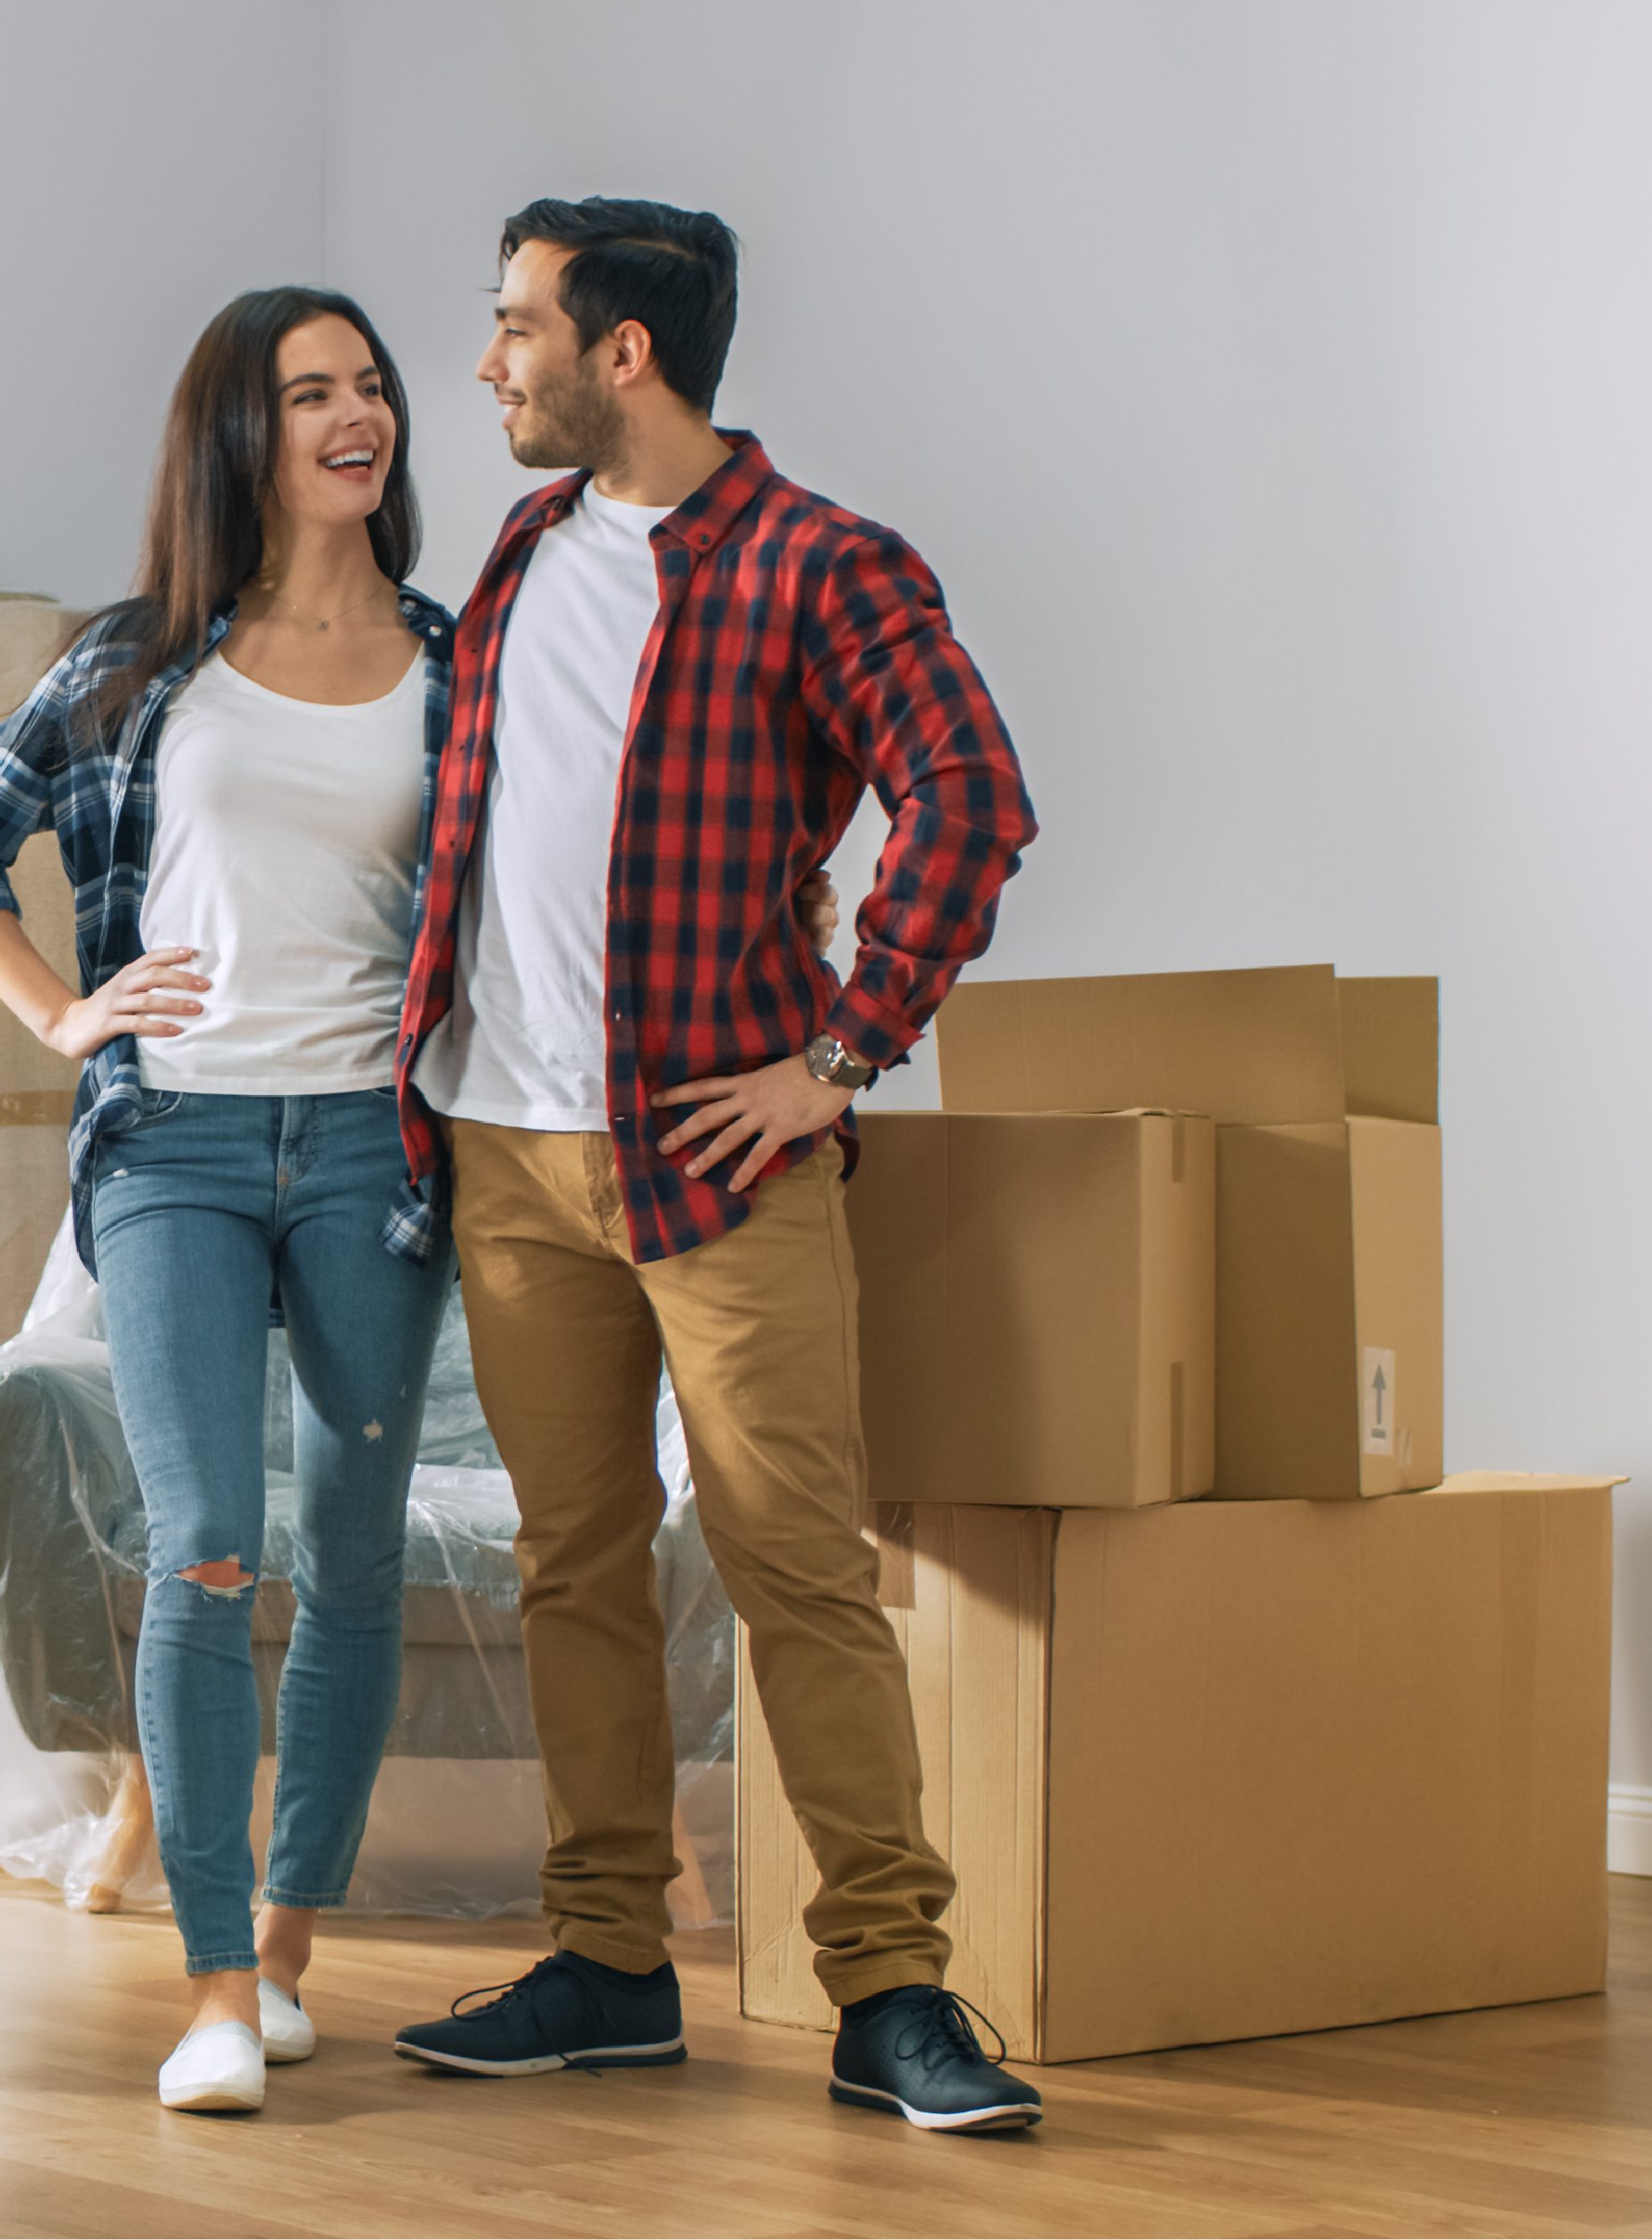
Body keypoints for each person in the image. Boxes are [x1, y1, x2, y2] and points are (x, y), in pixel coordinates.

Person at [383, 199, 1050, 2133]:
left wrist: (840, 1052)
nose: (490, 361)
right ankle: (608, 1957)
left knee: (792, 1570)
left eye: (516, 325)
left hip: (709, 1157)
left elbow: (969, 794)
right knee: (573, 1564)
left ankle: (893, 1988)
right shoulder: (517, 555)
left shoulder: (819, 565)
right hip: (509, 1148)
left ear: (624, 353)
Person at [0, 287, 459, 2115]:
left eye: (367, 384)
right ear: (244, 431)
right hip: (179, 1151)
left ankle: (291, 1949)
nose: (353, 414)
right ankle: (212, 1985)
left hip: (376, 1150)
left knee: (355, 1558)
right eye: (311, 392)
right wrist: (66, 1008)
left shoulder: (459, 656)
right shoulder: (144, 656)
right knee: (210, 1533)